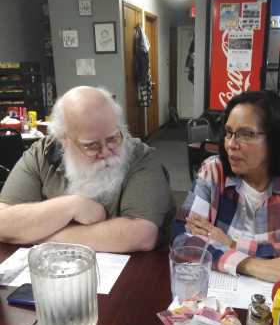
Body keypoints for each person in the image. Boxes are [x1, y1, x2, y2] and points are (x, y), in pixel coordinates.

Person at [173, 90, 280, 283]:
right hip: (222, 296)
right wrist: (249, 264)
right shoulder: (214, 171)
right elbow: (182, 238)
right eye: (229, 132)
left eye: (246, 134)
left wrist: (232, 244)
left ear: (276, 138)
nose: (231, 144)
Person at [0, 86, 173, 252]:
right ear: (64, 141)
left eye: (113, 138)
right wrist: (70, 206)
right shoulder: (41, 154)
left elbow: (141, 235)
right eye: (92, 146)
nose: (106, 152)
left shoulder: (141, 157)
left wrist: (38, 234)